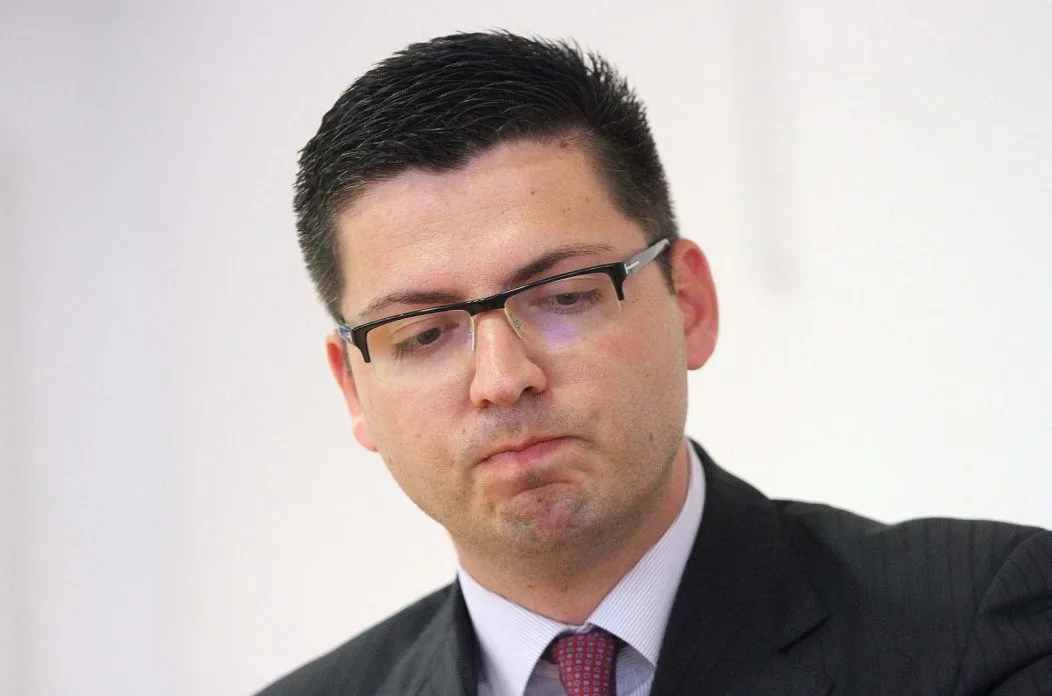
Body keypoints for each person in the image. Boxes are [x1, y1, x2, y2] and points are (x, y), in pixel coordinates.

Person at [257, 31, 1052, 696]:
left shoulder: (979, 627)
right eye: (424, 334)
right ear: (352, 388)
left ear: (689, 303)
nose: (503, 379)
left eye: (565, 295)